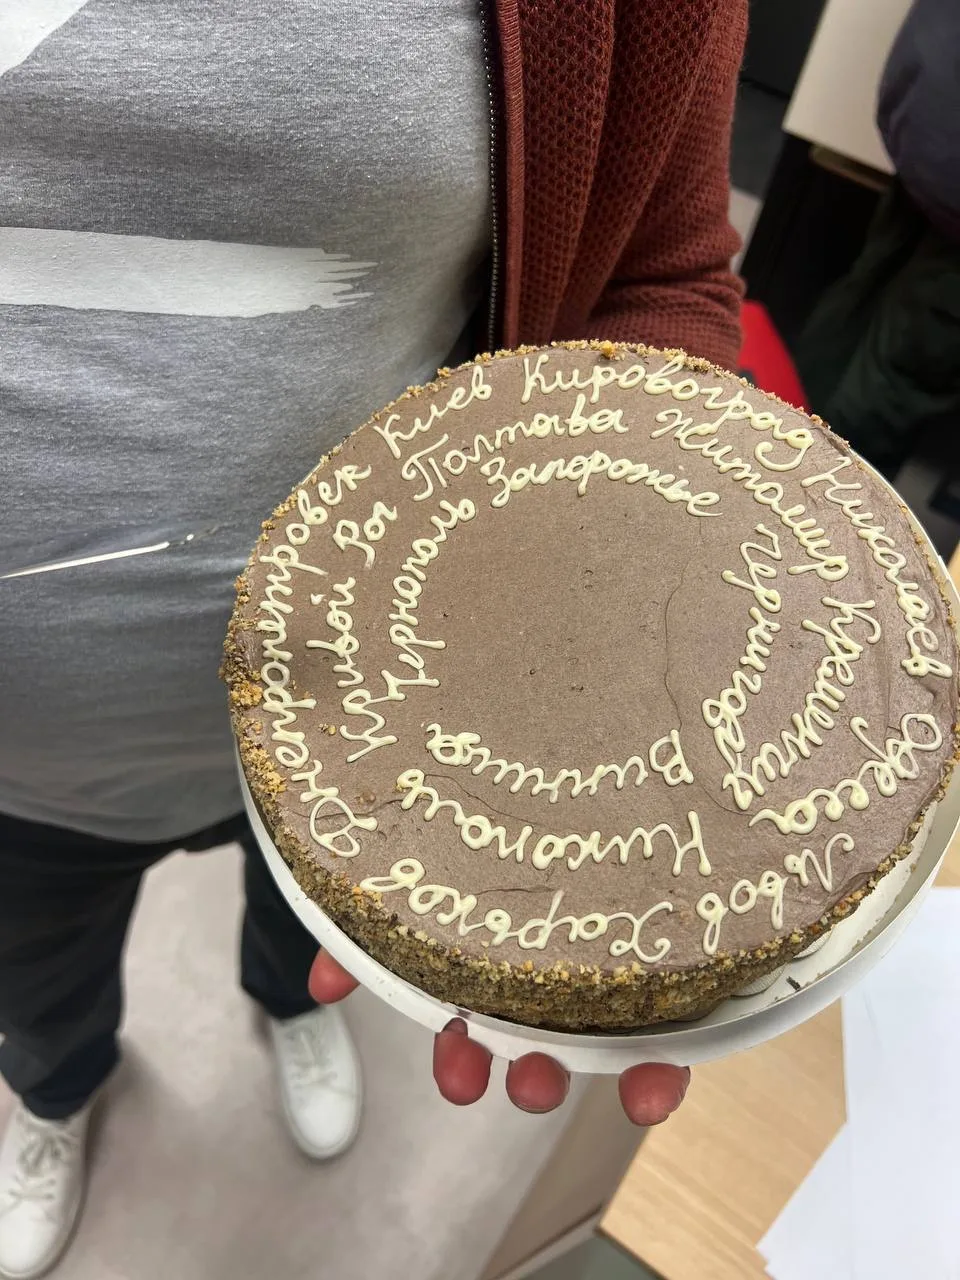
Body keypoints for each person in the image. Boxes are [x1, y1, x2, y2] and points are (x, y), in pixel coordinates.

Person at [0, 2, 745, 1275]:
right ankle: (52, 1092)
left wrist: (623, 646)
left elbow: (650, 274)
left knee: (316, 937)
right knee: (32, 971)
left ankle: (286, 1003)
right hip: (25, 752)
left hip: (376, 729)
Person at [795, 0, 960, 479]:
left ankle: (770, 439)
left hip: (928, 108)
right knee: (903, 369)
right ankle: (827, 495)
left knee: (864, 298)